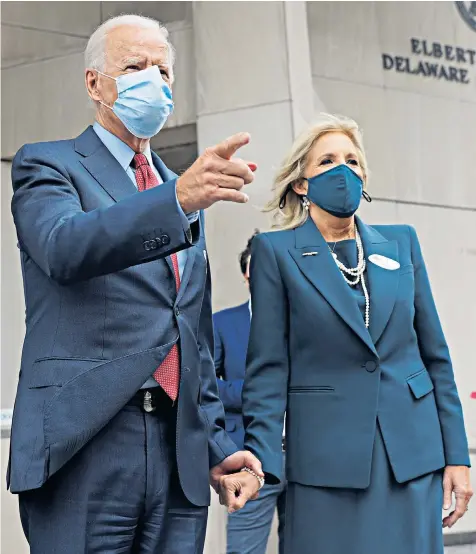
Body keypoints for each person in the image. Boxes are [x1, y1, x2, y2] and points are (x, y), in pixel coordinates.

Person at [7, 14, 262, 553]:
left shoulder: (179, 190)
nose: (155, 81)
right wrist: (175, 202)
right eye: (136, 66)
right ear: (94, 83)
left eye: (164, 71)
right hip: (88, 443)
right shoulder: (48, 165)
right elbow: (63, 246)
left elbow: (191, 332)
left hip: (177, 453)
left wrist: (216, 443)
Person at [221, 113, 473, 553]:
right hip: (324, 465)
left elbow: (435, 356)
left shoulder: (401, 242)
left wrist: (457, 455)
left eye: (353, 161)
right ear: (301, 183)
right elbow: (266, 371)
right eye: (328, 161)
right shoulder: (275, 252)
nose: (344, 170)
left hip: (411, 459)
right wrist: (260, 463)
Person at [214, 231, 287, 554]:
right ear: (247, 274)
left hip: (307, 454)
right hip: (251, 456)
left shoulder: (304, 323)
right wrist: (260, 393)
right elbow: (205, 388)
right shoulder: (222, 323)